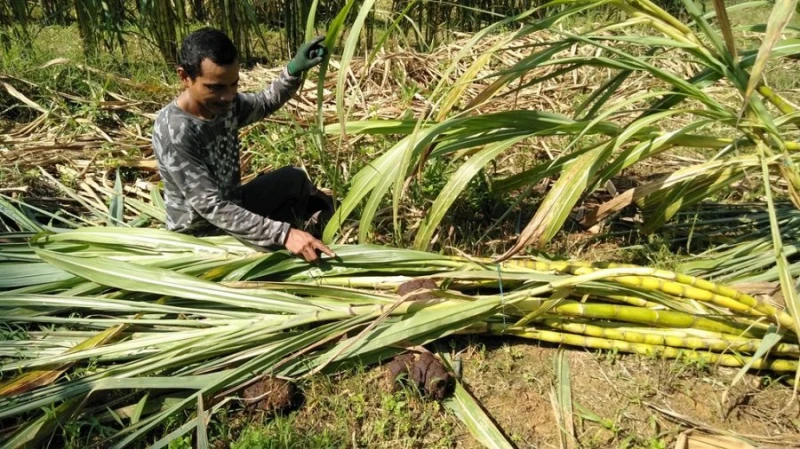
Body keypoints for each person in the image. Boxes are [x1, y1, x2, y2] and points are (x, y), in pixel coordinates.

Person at [151, 28, 335, 263]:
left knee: (293, 179)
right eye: (215, 87)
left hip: (233, 203)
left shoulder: (224, 105)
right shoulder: (175, 131)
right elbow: (211, 207)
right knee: (279, 260)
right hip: (204, 234)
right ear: (185, 77)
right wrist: (283, 234)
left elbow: (264, 102)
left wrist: (293, 69)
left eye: (233, 84)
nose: (228, 96)